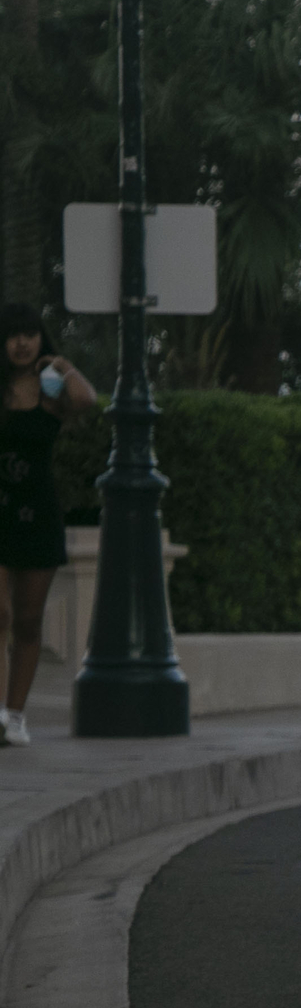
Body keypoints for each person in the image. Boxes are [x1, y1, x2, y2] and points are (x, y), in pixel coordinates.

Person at [0, 305, 98, 746]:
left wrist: (61, 363)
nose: (21, 343)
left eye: (30, 335)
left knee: (27, 620)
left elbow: (87, 400)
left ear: (40, 339)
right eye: (13, 335)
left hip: (37, 513)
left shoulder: (51, 387)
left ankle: (15, 715)